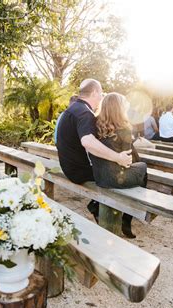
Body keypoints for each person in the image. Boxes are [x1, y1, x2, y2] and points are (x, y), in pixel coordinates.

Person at [56, 79, 132, 222]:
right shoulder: (85, 113)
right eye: (101, 94)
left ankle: (99, 206)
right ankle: (106, 211)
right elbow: (88, 142)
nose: (101, 98)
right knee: (125, 174)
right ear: (95, 92)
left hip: (69, 167)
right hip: (79, 172)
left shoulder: (73, 109)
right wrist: (117, 157)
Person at [90, 93, 148, 238]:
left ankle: (95, 205)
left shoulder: (95, 125)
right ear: (120, 108)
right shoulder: (124, 128)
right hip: (114, 179)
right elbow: (127, 160)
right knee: (143, 167)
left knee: (138, 166)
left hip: (99, 177)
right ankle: (127, 219)